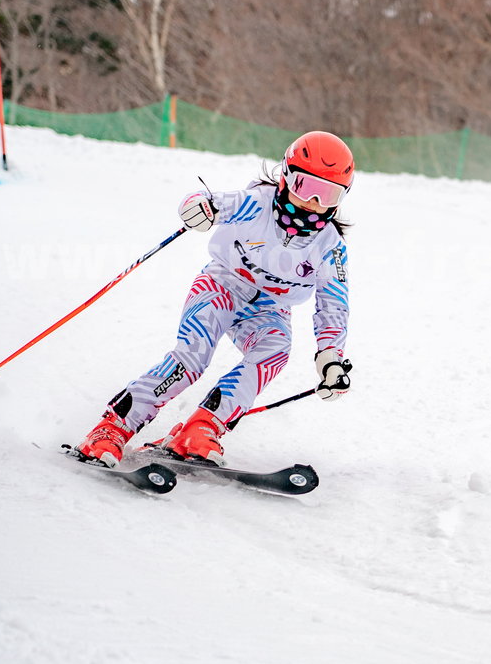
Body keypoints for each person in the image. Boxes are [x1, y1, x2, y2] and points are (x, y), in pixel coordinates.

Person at [74, 130, 355, 467]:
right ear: (286, 177)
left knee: (275, 351)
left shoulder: (329, 245)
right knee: (192, 358)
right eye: (306, 188)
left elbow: (333, 302)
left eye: (329, 195)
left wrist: (330, 356)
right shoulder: (257, 203)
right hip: (221, 287)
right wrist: (198, 207)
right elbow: (213, 202)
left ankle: (202, 428)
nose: (316, 204)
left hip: (270, 309)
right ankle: (112, 428)